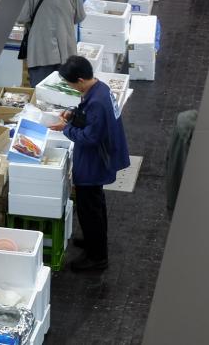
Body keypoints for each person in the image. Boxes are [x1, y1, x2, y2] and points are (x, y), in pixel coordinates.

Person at [51, 56, 130, 272]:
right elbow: (90, 118)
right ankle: (94, 240)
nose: (71, 88)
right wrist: (73, 115)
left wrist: (67, 129)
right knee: (95, 204)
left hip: (95, 161)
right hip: (100, 157)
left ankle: (97, 257)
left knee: (90, 207)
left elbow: (90, 137)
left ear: (79, 80)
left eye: (70, 84)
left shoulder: (96, 101)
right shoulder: (100, 89)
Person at [18, 0, 85, 88]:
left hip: (40, 52)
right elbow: (79, 17)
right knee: (65, 95)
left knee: (42, 96)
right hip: (67, 52)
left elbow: (23, 17)